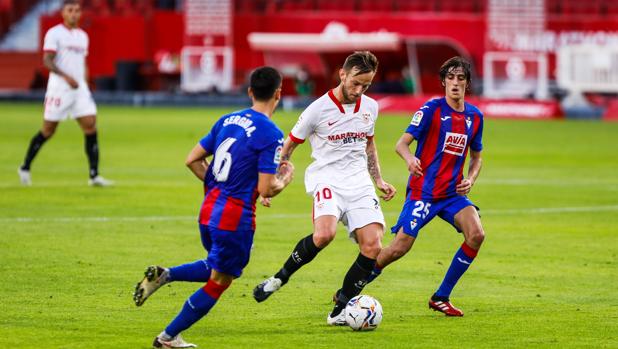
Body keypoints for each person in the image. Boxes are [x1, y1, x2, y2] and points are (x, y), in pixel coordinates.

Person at [133, 66, 294, 348]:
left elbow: (192, 160)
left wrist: (218, 188)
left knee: (215, 265)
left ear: (249, 92)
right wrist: (285, 179)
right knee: (220, 281)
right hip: (235, 218)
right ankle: (167, 338)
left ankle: (165, 275)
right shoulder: (271, 133)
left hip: (208, 211)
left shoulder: (227, 120)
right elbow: (267, 188)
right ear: (278, 94)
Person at [252, 51, 396, 326]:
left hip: (359, 182)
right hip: (327, 179)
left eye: (366, 85)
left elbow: (368, 144)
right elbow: (288, 147)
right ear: (342, 74)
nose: (359, 90)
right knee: (324, 234)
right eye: (355, 83)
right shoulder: (317, 110)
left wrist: (378, 180)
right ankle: (279, 278)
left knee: (373, 246)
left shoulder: (370, 107)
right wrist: (270, 182)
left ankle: (339, 310)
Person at [365, 56, 485, 317]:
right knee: (399, 248)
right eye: (450, 78)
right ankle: (353, 286)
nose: (455, 83)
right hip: (424, 193)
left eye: (461, 78)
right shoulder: (431, 109)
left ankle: (441, 297)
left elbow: (477, 157)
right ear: (443, 82)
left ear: (467, 83)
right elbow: (401, 144)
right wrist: (410, 160)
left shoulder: (475, 117)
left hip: (452, 194)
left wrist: (471, 179)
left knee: (476, 234)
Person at [18, 0, 112, 187]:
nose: (74, 14)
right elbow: (47, 60)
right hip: (60, 89)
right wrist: (66, 77)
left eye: (77, 10)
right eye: (70, 10)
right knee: (48, 130)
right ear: (63, 13)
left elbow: (82, 62)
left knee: (90, 125)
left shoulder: (82, 36)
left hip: (80, 90)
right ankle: (25, 167)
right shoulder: (54, 34)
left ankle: (94, 175)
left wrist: (85, 82)